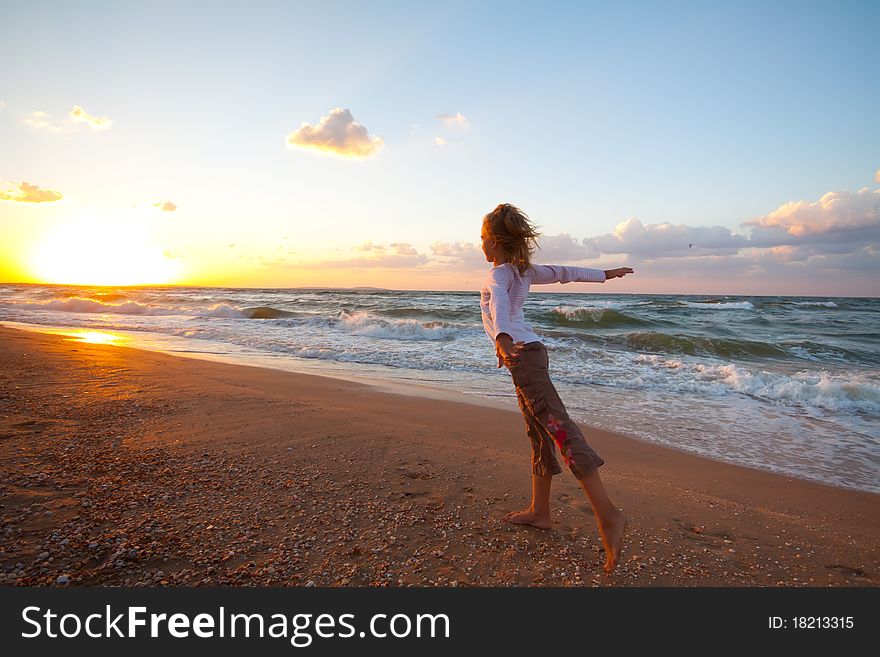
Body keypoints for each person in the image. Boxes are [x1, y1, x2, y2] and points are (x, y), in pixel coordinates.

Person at [479, 203, 634, 574]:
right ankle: (540, 512)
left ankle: (608, 515)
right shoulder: (523, 271)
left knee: (561, 431)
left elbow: (499, 305)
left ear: (495, 243)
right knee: (538, 434)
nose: (481, 246)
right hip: (527, 356)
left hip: (522, 356)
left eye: (483, 239)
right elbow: (565, 272)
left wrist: (501, 337)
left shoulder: (500, 275)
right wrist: (605, 275)